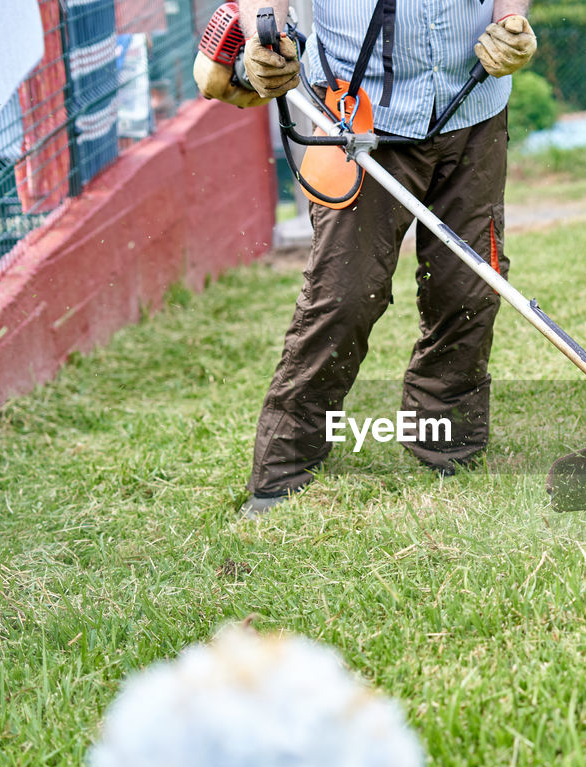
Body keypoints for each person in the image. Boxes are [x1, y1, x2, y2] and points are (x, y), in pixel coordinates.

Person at [216, 0, 537, 517]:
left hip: (473, 106)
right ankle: (285, 470)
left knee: (469, 288)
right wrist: (263, 35)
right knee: (345, 294)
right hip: (357, 117)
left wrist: (511, 23)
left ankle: (447, 444)